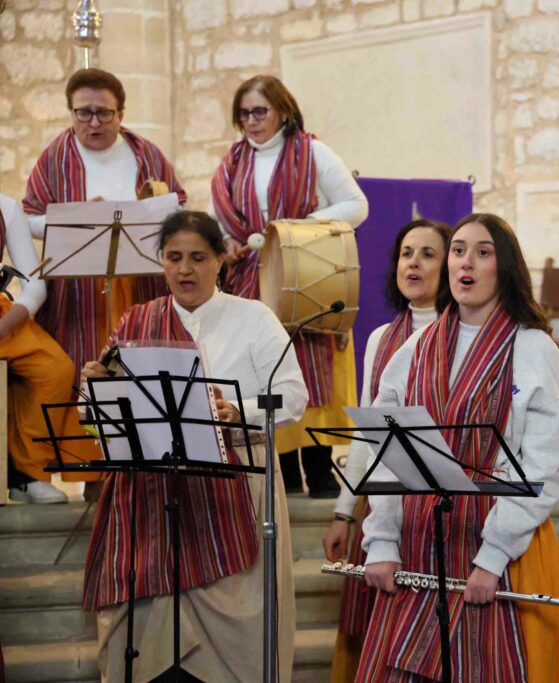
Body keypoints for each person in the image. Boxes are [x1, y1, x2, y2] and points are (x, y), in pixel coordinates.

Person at [80, 211, 308, 682]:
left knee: (235, 652)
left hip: (235, 489)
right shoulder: (137, 321)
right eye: (174, 257)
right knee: (147, 643)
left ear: (221, 261)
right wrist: (94, 388)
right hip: (151, 501)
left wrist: (236, 409)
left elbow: (294, 395)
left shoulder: (253, 317)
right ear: (160, 261)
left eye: (198, 258)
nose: (185, 269)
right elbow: (104, 421)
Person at [357, 213, 559, 682]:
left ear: (505, 268)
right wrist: (381, 539)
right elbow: (388, 449)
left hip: (497, 551)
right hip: (418, 545)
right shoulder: (415, 347)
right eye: (459, 250)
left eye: (483, 253)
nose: (467, 262)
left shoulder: (534, 348)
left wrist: (492, 557)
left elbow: (543, 467)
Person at [211, 74, 369, 499]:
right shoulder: (232, 162)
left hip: (306, 273)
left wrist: (295, 229)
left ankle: (319, 472)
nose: (251, 120)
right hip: (252, 278)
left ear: (283, 109)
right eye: (243, 113)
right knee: (264, 367)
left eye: (259, 111)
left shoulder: (313, 152)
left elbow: (357, 205)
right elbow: (221, 218)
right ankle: (282, 472)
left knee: (309, 367)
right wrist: (224, 239)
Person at [321, 218, 452, 682]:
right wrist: (343, 512)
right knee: (379, 634)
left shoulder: (465, 333)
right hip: (385, 502)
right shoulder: (380, 337)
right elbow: (370, 431)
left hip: (444, 505)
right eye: (406, 253)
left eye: (428, 254)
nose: (413, 262)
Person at [23, 68, 186, 387]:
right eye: (83, 112)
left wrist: (142, 212)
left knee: (141, 367)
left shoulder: (146, 154)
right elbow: (30, 216)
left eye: (103, 113)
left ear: (120, 113)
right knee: (83, 365)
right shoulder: (54, 159)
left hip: (140, 282)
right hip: (79, 291)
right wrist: (81, 216)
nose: (93, 122)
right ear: (71, 111)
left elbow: (177, 203)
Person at [0, 195, 95, 504]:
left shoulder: (6, 208)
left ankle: (28, 475)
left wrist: (4, 328)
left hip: (1, 317)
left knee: (55, 368)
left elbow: (35, 284)